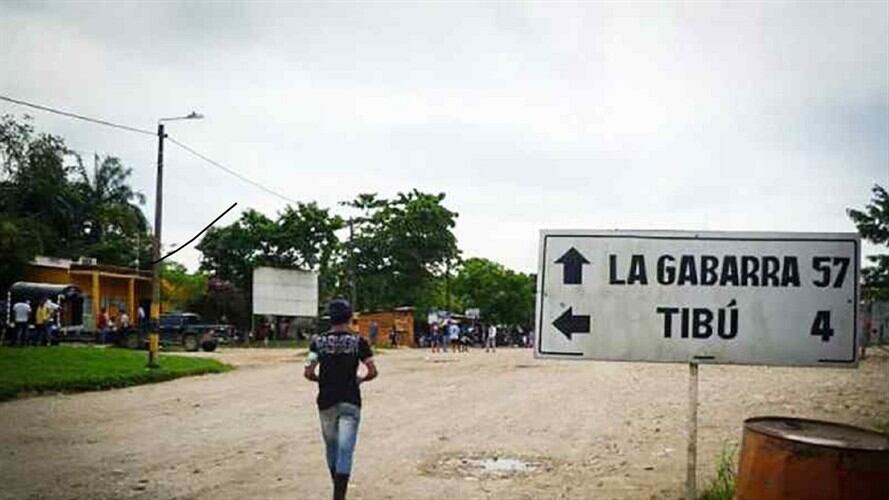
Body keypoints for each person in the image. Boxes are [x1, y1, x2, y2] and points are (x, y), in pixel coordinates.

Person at [305, 299, 377, 500]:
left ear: (331, 318)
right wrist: (361, 379)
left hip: (326, 401)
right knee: (346, 450)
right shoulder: (359, 342)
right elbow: (373, 371)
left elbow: (308, 371)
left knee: (332, 448)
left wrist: (322, 379)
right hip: (351, 400)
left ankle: (337, 489)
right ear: (349, 317)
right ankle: (339, 496)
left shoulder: (318, 342)